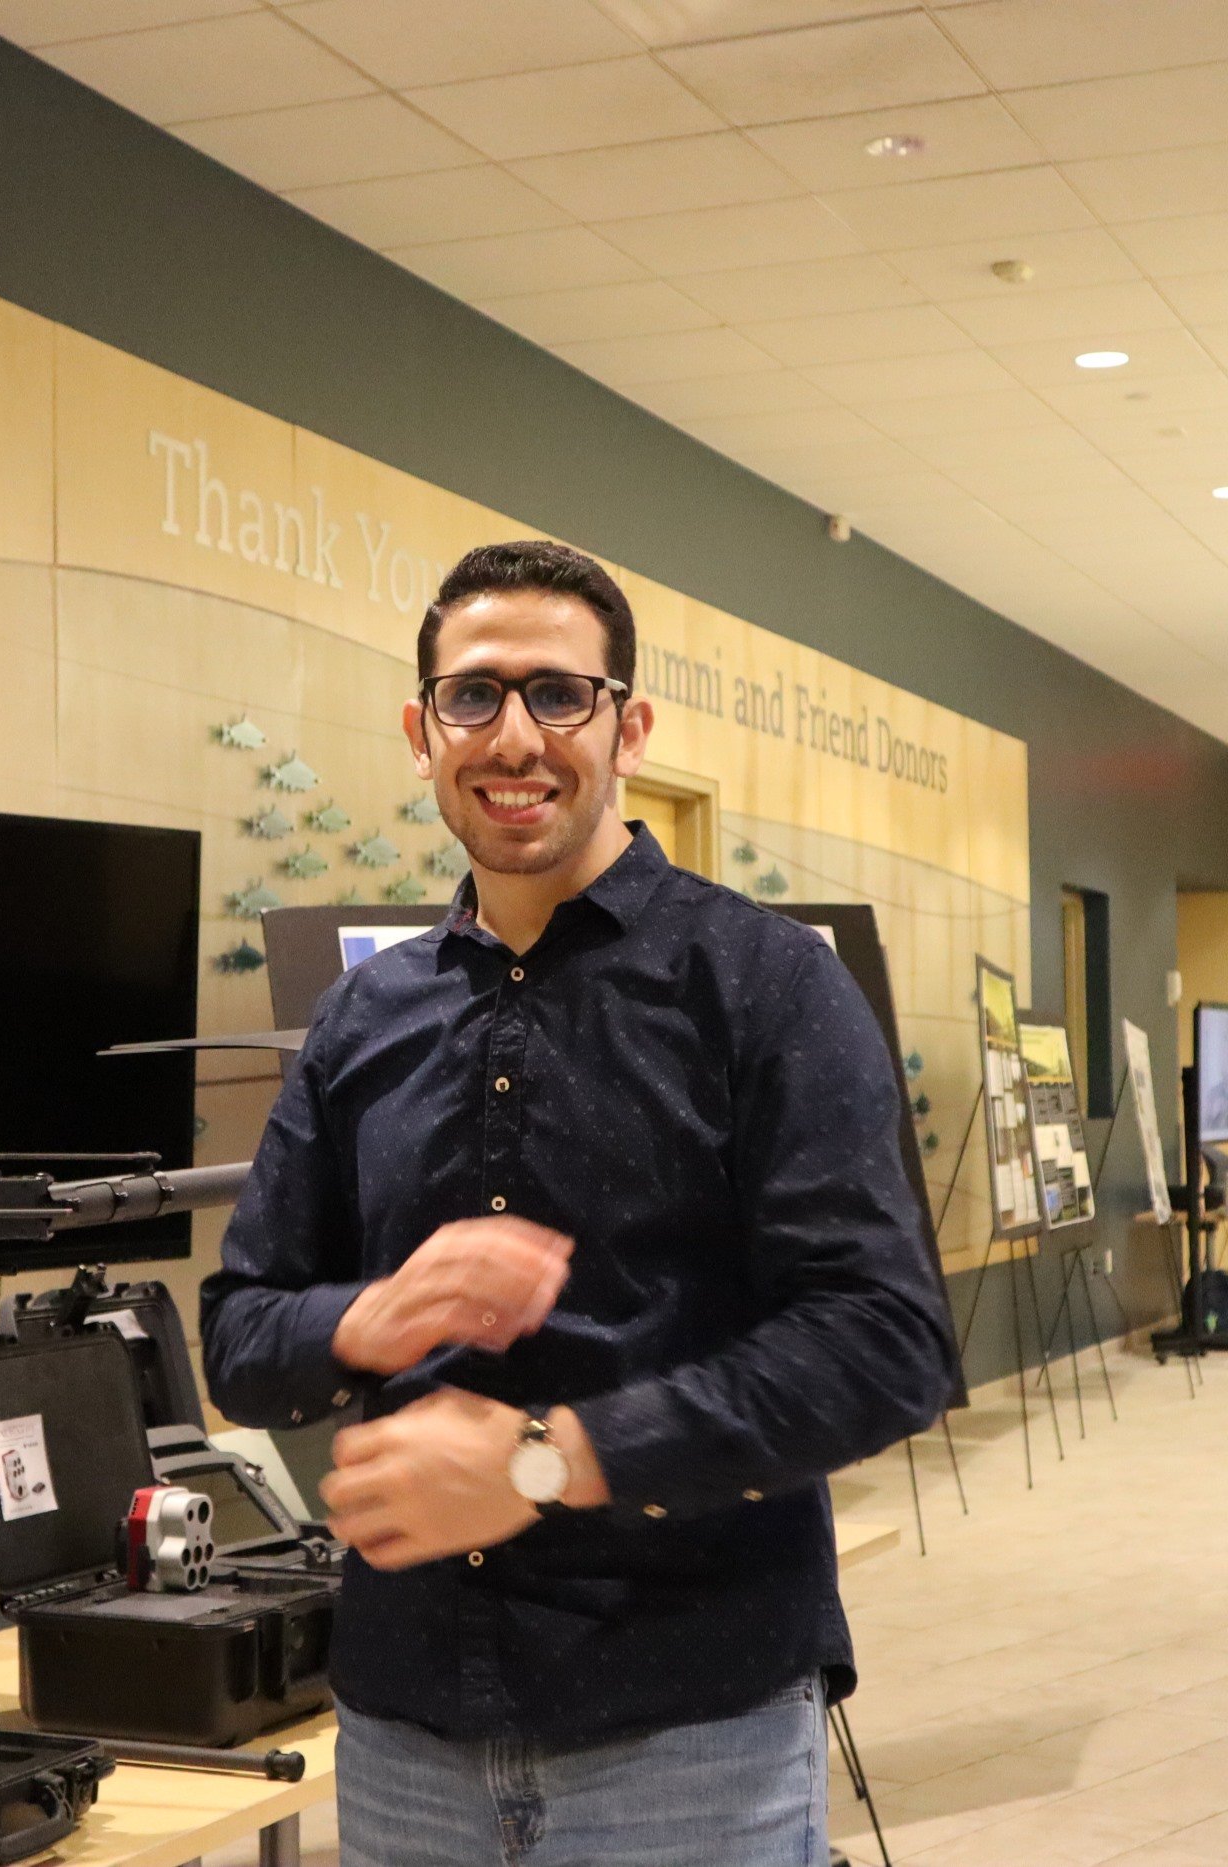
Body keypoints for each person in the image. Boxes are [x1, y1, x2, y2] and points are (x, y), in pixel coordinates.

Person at [200, 539, 959, 1867]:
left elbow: (884, 1341)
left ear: (629, 724)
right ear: (420, 728)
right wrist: (370, 1316)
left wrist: (544, 1462)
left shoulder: (766, 985)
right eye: (473, 695)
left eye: (560, 694)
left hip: (690, 1730)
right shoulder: (359, 1020)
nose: (515, 736)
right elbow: (240, 1335)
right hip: (400, 1733)